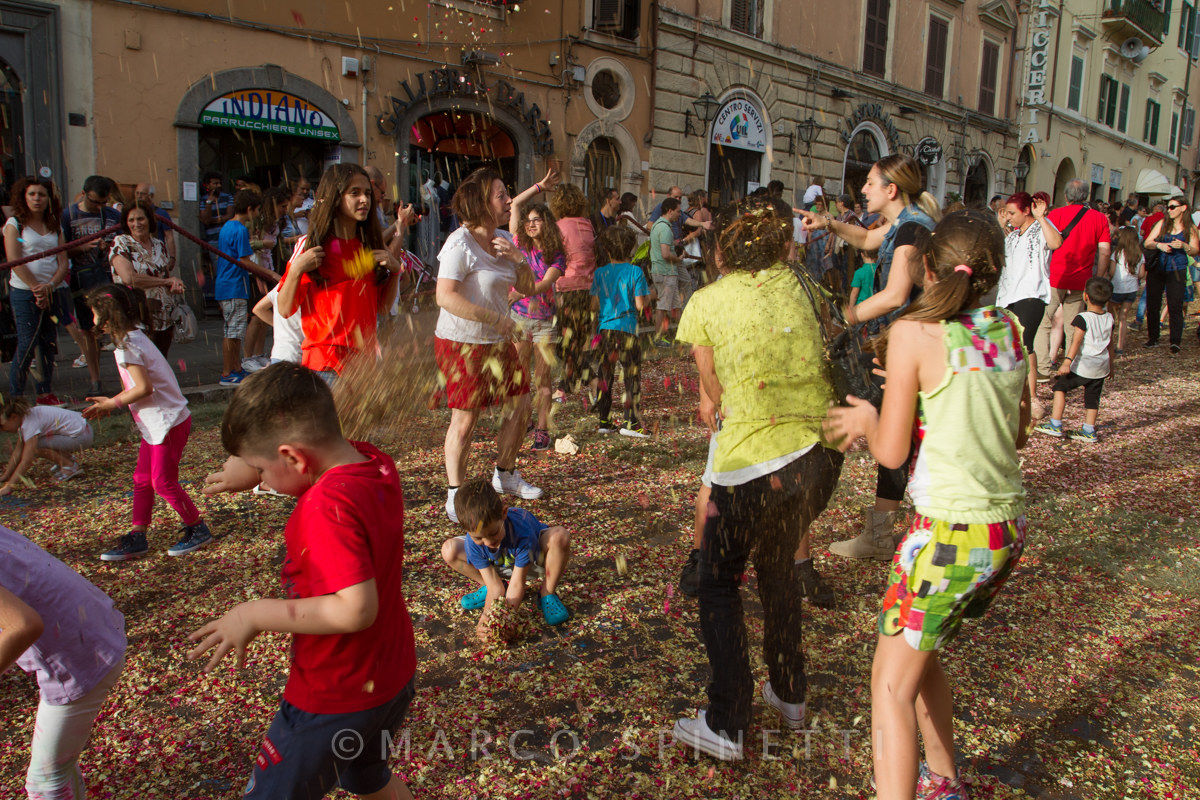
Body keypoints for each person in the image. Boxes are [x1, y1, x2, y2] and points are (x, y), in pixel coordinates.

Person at [824, 209, 1029, 800]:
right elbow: (1016, 431)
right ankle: (942, 783)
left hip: (948, 535)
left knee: (888, 687)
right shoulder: (1009, 329)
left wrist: (869, 413)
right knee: (922, 652)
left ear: (928, 268)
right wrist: (920, 397)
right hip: (1003, 532)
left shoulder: (915, 333)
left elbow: (890, 454)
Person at [187, 363, 417, 800]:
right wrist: (257, 471)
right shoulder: (374, 462)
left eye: (261, 467)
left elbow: (355, 608)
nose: (260, 477)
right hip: (390, 677)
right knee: (367, 776)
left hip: (334, 695)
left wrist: (252, 613)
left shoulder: (322, 509)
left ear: (293, 456)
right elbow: (314, 464)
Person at [672, 196, 844, 759]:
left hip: (752, 462)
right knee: (777, 571)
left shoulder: (708, 300)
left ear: (723, 250)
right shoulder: (805, 287)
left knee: (719, 583)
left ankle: (727, 721)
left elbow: (713, 387)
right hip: (817, 457)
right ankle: (790, 694)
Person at [799, 153, 940, 561]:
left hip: (900, 346)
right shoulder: (904, 223)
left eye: (870, 183)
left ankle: (803, 522)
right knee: (890, 432)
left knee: (855, 425)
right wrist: (828, 223)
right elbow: (864, 239)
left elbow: (895, 294)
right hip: (898, 344)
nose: (863, 190)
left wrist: (844, 317)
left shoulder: (913, 229)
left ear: (891, 190)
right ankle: (874, 533)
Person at [434, 167, 542, 523]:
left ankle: (505, 473)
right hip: (462, 343)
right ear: (482, 202)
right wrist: (496, 319)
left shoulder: (502, 239)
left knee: (521, 405)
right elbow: (444, 297)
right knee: (466, 420)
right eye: (501, 195)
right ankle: (455, 492)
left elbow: (528, 287)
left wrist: (517, 259)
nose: (509, 200)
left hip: (497, 341)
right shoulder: (459, 243)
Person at [82, 284, 212, 561]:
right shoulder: (133, 338)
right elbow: (136, 387)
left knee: (162, 482)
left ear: (107, 315)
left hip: (167, 421)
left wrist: (112, 403)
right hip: (158, 422)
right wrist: (114, 400)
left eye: (94, 313)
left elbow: (143, 388)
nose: (92, 320)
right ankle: (138, 536)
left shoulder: (126, 346)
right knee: (142, 479)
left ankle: (198, 527)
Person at [1, 526, 126, 800]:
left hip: (78, 651)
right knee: (57, 770)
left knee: (45, 783)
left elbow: (22, 626)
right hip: (88, 624)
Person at [277, 164, 406, 384]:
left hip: (364, 366)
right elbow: (284, 308)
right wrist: (297, 269)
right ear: (335, 197)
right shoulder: (312, 247)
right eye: (354, 193)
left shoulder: (370, 247)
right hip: (326, 366)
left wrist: (395, 271)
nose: (365, 200)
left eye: (367, 193)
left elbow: (382, 308)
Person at [439, 477, 572, 642]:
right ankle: (486, 586)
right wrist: (487, 620)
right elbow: (496, 588)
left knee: (560, 537)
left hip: (534, 561)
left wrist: (504, 620)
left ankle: (547, 594)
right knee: (449, 550)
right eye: (479, 538)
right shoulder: (473, 543)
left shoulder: (521, 532)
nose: (488, 542)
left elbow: (518, 584)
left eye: (493, 533)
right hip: (499, 565)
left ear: (504, 513)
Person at [508, 170, 563, 451]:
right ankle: (525, 420)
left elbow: (544, 285)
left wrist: (518, 292)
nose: (529, 224)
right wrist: (539, 186)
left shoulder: (556, 255)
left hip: (543, 323)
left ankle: (542, 429)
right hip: (518, 319)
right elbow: (514, 205)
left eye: (536, 220)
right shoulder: (519, 243)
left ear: (547, 224)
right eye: (528, 221)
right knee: (521, 377)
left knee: (543, 379)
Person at [1034, 179, 1111, 374]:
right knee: (1074, 326)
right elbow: (1104, 252)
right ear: (1086, 196)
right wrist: (1098, 278)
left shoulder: (1055, 214)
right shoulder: (1100, 219)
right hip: (1082, 279)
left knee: (1044, 322)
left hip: (1055, 277)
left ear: (1066, 196)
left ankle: (1042, 367)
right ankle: (1071, 367)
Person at [4, 176, 68, 406]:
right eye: (32, 194)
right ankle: (16, 397)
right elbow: (14, 259)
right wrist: (36, 289)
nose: (37, 199)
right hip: (23, 291)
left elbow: (63, 260)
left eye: (41, 194)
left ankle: (45, 393)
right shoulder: (15, 224)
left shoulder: (54, 224)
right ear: (24, 196)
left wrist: (50, 286)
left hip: (53, 290)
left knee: (48, 343)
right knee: (27, 342)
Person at [999, 191, 1062, 420]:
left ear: (1026, 211)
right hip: (1008, 296)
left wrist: (1042, 217)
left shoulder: (1040, 228)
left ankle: (1032, 396)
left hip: (1032, 294)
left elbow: (1056, 242)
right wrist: (1002, 227)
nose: (1009, 217)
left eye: (1013, 213)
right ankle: (1013, 391)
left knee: (1025, 345)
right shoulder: (1014, 235)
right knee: (1009, 345)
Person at [1035, 277, 1115, 443]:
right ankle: (1089, 430)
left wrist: (1067, 361)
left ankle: (1055, 424)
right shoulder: (1110, 318)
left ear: (1085, 296)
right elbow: (1110, 345)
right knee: (1092, 398)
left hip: (1084, 366)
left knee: (1060, 387)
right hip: (1101, 367)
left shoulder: (1083, 318)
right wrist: (1111, 366)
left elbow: (1076, 342)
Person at [215, 190, 280, 386]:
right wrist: (270, 274)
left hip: (228, 285)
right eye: (258, 209)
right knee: (233, 333)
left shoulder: (227, 226)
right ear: (250, 209)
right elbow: (245, 261)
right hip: (233, 286)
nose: (259, 214)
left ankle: (235, 368)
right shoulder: (240, 229)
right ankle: (228, 372)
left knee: (233, 331)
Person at [62, 175, 120, 394]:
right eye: (95, 202)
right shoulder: (68, 216)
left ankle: (127, 380)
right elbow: (62, 249)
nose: (99, 207)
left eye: (103, 203)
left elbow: (123, 244)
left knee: (117, 328)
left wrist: (110, 245)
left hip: (109, 279)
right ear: (84, 193)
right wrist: (83, 246)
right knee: (89, 332)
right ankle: (95, 382)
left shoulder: (113, 216)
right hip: (82, 281)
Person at [591, 226, 650, 437]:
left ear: (606, 250)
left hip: (605, 330)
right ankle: (631, 422)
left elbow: (594, 305)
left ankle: (604, 422)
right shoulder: (635, 272)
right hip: (627, 331)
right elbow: (641, 305)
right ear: (631, 248)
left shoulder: (599, 273)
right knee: (631, 376)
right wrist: (652, 297)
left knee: (605, 375)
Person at [110, 200, 187, 357]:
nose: (136, 224)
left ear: (150, 220)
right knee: (138, 365)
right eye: (131, 220)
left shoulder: (159, 245)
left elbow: (166, 277)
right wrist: (166, 281)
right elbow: (129, 278)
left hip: (163, 317)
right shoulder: (121, 243)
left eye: (141, 219)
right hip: (135, 317)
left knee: (160, 364)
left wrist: (175, 285)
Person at [548, 183, 598, 397]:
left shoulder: (557, 227)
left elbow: (552, 256)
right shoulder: (587, 224)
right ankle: (566, 385)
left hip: (567, 288)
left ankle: (591, 379)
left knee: (565, 342)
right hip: (588, 289)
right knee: (576, 339)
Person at [1142, 195, 1199, 353]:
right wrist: (1159, 245)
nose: (1169, 210)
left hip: (1177, 269)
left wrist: (1184, 245)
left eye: (1173, 207)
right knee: (1153, 304)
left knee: (1175, 305)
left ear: (1183, 208)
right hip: (1158, 268)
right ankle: (1153, 337)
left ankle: (1175, 341)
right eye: (1168, 207)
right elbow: (1147, 242)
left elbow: (1195, 250)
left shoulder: (1190, 228)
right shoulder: (1162, 223)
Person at [0, 398, 93, 490]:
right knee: (32, 444)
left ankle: (69, 466)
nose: (2, 429)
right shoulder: (26, 417)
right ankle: (66, 459)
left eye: (2, 425)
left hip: (82, 436)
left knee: (34, 447)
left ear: (14, 417)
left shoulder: (29, 424)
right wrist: (6, 476)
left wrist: (9, 486)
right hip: (83, 430)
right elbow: (18, 451)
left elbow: (26, 460)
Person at [649, 197, 684, 346]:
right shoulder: (664, 228)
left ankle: (684, 335)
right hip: (665, 272)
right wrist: (679, 258)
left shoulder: (658, 226)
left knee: (676, 305)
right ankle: (658, 338)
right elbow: (665, 254)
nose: (679, 215)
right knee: (662, 307)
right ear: (669, 211)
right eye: (677, 211)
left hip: (664, 271)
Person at [1107, 225, 1144, 353]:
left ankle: (1109, 343)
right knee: (1123, 317)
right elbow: (1141, 274)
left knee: (1110, 317)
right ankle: (1120, 346)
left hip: (1117, 288)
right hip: (1131, 289)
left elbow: (1111, 271)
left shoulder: (1116, 253)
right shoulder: (1139, 255)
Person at [252, 283, 304, 365]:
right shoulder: (311, 287)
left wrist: (280, 325)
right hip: (299, 356)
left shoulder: (281, 285)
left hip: (279, 354)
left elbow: (259, 309)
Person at [134, 183, 177, 269]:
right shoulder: (132, 213)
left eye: (142, 194)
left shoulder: (161, 214)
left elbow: (169, 236)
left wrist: (172, 257)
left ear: (151, 195)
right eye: (137, 193)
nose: (139, 196)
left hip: (156, 254)